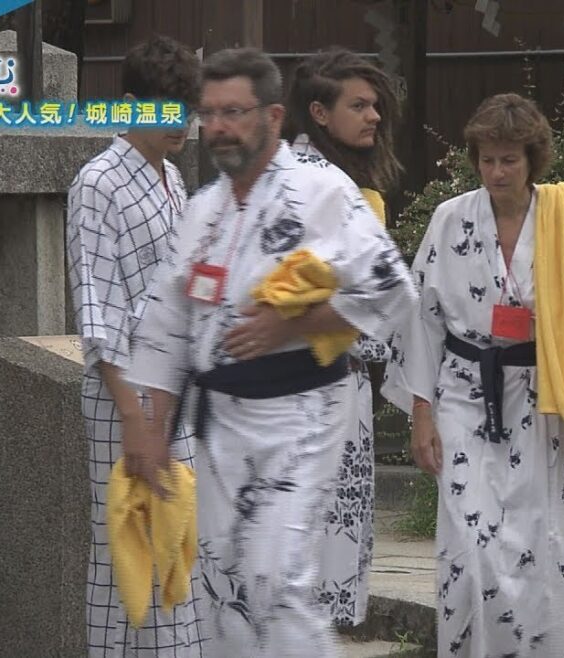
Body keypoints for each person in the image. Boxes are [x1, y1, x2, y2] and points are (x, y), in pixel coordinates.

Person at [124, 47, 417, 657]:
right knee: (223, 582)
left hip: (302, 407)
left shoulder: (323, 192)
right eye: (209, 113)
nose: (218, 127)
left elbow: (393, 290)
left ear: (274, 117)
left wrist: (296, 325)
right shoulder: (203, 209)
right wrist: (148, 428)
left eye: (234, 111)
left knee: (276, 575)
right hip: (220, 420)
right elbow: (165, 325)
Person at [382, 93, 564, 657]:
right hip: (465, 390)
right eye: (487, 159)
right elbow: (423, 320)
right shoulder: (450, 219)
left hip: (546, 397)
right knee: (468, 544)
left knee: (542, 541)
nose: (496, 171)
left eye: (508, 160)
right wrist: (421, 414)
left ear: (532, 159)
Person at [66, 35, 207, 657]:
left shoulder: (172, 177)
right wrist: (135, 414)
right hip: (124, 394)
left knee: (177, 538)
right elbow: (96, 308)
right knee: (128, 542)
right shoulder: (97, 182)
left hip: (176, 389)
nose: (180, 122)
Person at [282, 47, 404, 629]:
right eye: (358, 105)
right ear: (319, 113)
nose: (373, 116)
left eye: (375, 104)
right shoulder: (315, 184)